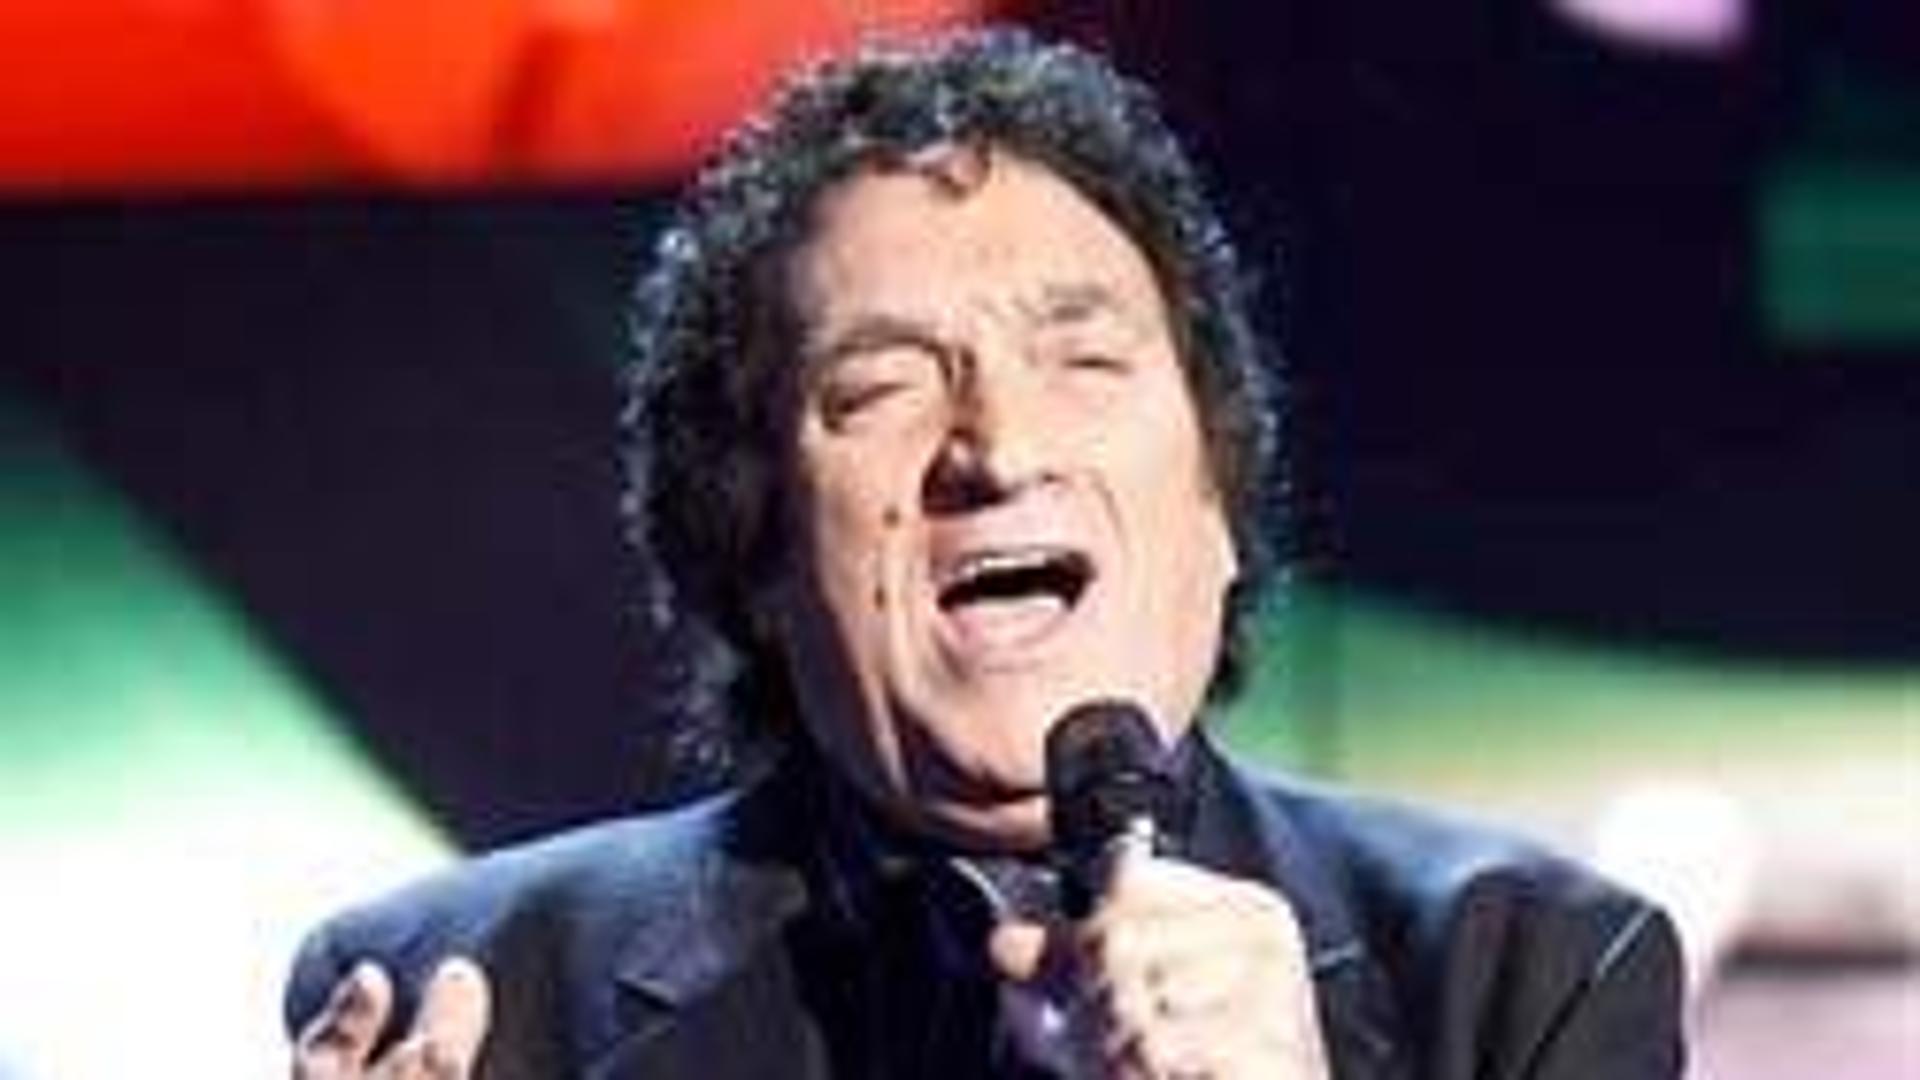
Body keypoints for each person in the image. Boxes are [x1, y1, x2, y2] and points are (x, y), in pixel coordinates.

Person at [285, 27, 1683, 1080]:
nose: (1000, 450)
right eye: (883, 387)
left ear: (1214, 507)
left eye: (1085, 361)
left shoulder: (1524, 979)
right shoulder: (471, 996)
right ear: (754, 550)